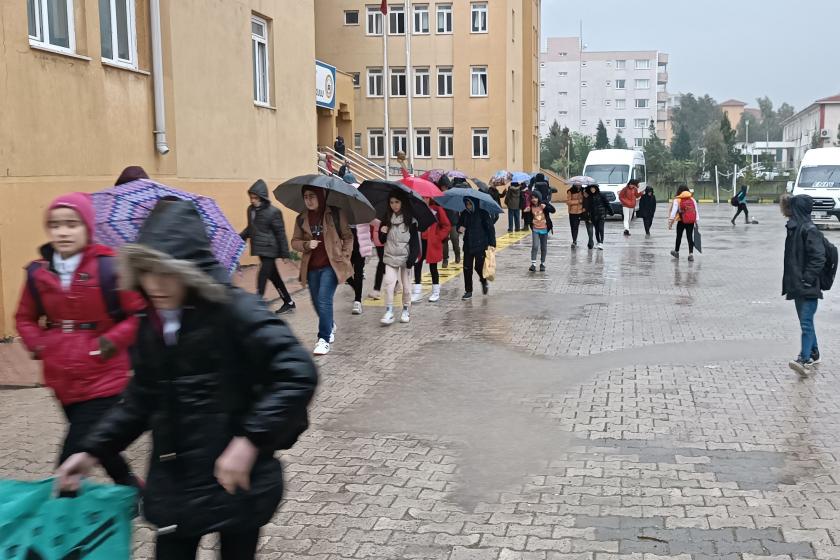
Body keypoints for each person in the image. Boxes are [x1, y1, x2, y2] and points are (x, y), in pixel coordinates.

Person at [55, 199, 318, 560]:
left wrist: (248, 442)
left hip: (239, 481)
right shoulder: (152, 324)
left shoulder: (236, 310)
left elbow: (298, 371)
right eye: (146, 271)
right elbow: (140, 400)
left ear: (191, 269)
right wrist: (92, 450)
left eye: (167, 272)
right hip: (177, 485)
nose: (155, 284)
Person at [15, 192, 146, 489]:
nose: (63, 231)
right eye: (56, 224)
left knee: (70, 462)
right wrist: (39, 345)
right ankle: (134, 491)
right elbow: (24, 318)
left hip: (104, 376)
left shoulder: (109, 266)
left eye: (72, 224)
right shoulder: (38, 272)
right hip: (61, 378)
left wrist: (110, 343)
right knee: (100, 443)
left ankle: (61, 524)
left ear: (87, 226)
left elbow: (138, 313)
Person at [291, 187, 353, 355]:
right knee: (316, 301)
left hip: (331, 265)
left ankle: (323, 339)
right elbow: (294, 242)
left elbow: (348, 236)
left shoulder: (335, 214)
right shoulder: (301, 218)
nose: (309, 200)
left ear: (320, 196)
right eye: (305, 197)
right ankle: (330, 324)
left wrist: (345, 255)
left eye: (312, 196)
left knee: (324, 299)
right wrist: (306, 244)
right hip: (311, 266)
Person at [782, 195, 827, 377]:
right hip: (797, 284)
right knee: (805, 322)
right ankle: (814, 352)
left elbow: (819, 257)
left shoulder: (809, 230)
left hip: (807, 285)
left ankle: (804, 359)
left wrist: (807, 279)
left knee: (806, 323)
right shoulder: (795, 228)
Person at [240, 180, 295, 315]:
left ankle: (258, 304)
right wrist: (239, 237)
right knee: (274, 277)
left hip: (271, 249)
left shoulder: (273, 212)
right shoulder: (251, 210)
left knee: (263, 274)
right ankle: (288, 302)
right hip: (260, 249)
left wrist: (285, 254)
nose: (252, 200)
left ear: (262, 197)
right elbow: (251, 228)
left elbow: (280, 233)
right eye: (251, 198)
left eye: (255, 198)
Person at [379, 194, 420, 325]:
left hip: (405, 259)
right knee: (389, 284)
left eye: (397, 202)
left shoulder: (410, 220)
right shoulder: (386, 218)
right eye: (391, 202)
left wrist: (411, 259)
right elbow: (381, 240)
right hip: (390, 257)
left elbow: (414, 242)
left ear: (402, 203)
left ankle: (406, 310)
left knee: (406, 287)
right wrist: (383, 232)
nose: (394, 205)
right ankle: (389, 311)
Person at [412, 197, 451, 303]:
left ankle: (435, 292)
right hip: (419, 242)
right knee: (417, 265)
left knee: (433, 267)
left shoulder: (437, 210)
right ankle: (417, 292)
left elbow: (446, 226)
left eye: (425, 197)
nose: (423, 199)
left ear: (429, 198)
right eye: (421, 197)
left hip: (432, 242)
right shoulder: (415, 209)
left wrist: (438, 237)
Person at [458, 197, 496, 300]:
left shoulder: (483, 213)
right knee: (467, 268)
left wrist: (492, 244)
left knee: (479, 267)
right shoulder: (464, 214)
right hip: (468, 246)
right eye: (466, 204)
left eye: (469, 204)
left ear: (474, 203)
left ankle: (483, 281)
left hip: (480, 245)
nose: (468, 206)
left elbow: (490, 228)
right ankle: (468, 291)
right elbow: (459, 225)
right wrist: (459, 228)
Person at [524, 192, 555, 272]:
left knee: (543, 247)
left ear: (539, 198)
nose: (534, 199)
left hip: (544, 229)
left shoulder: (543, 204)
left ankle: (542, 264)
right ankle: (533, 264)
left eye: (535, 198)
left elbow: (553, 210)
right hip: (535, 229)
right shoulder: (530, 207)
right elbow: (527, 220)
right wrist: (525, 212)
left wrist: (546, 207)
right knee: (535, 246)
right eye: (532, 198)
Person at [668, 185, 699, 261]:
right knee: (689, 237)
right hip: (690, 221)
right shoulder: (692, 199)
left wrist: (670, 222)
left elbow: (673, 212)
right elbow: (696, 211)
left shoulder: (677, 199)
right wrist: (696, 221)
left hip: (681, 221)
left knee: (679, 236)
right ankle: (691, 254)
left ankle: (676, 252)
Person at [437, 175, 461, 268]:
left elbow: (458, 207)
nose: (444, 188)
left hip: (453, 222)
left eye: (445, 186)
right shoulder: (438, 195)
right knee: (444, 242)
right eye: (442, 187)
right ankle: (445, 259)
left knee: (455, 239)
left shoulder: (453, 194)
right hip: (443, 223)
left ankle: (457, 254)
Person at [582, 184, 614, 250]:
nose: (592, 190)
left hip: (601, 215)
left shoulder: (601, 195)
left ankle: (601, 243)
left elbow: (607, 203)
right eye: (591, 189)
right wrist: (588, 216)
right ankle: (598, 242)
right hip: (593, 215)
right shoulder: (589, 197)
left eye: (593, 188)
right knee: (596, 229)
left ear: (596, 189)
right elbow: (588, 207)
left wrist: (611, 211)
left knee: (601, 228)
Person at [565, 183, 592, 249]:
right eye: (577, 184)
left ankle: (591, 241)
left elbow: (588, 198)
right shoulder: (570, 191)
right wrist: (578, 201)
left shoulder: (583, 190)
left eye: (579, 184)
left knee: (587, 225)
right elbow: (568, 202)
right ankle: (574, 240)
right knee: (573, 227)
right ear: (574, 184)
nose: (578, 185)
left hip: (582, 211)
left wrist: (585, 193)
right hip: (572, 212)